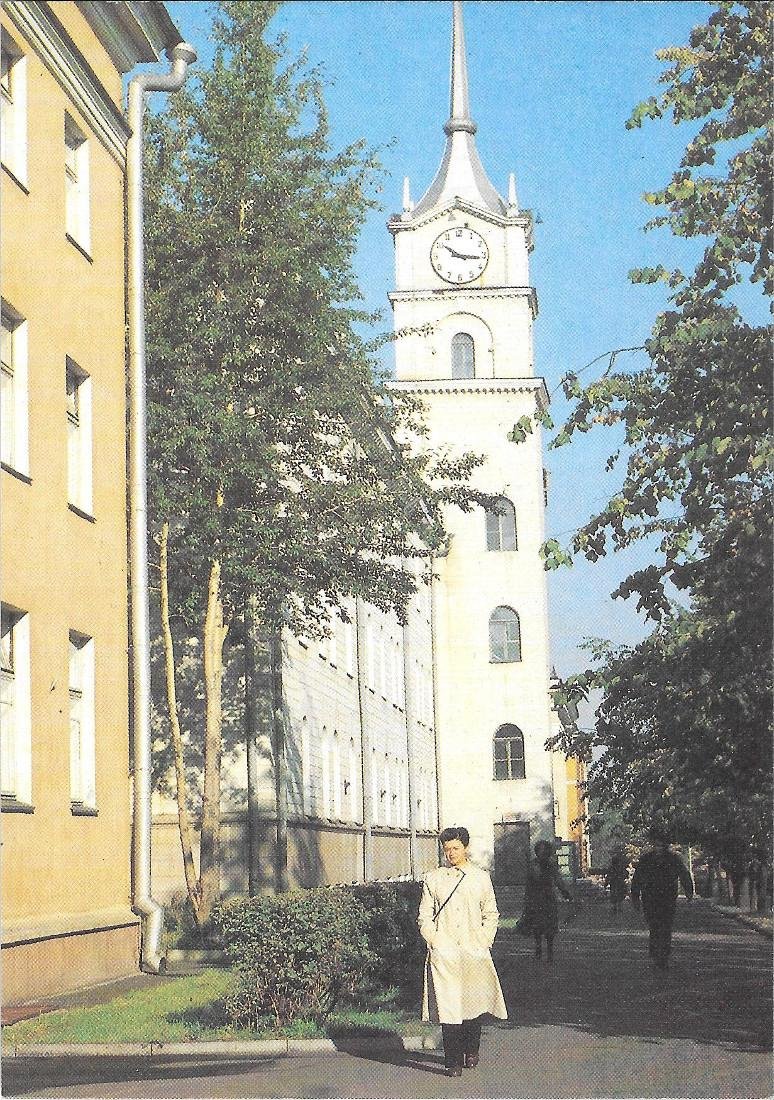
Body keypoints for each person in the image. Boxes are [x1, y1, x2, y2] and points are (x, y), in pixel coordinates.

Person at [418, 826, 507, 1077]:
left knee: (472, 1004)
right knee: (448, 1007)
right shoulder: (433, 879)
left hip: (473, 950)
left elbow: (490, 914)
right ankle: (452, 1061)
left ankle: (471, 1049)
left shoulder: (480, 878)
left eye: (455, 848)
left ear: (465, 848)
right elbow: (425, 915)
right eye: (447, 849)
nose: (451, 854)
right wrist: (434, 940)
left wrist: (483, 941)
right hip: (444, 952)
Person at [630, 828, 694, 969]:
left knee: (666, 926)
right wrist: (635, 896)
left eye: (661, 845)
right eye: (656, 845)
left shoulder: (673, 859)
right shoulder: (646, 860)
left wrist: (689, 891)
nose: (659, 848)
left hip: (667, 897)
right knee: (654, 926)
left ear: (666, 846)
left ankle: (664, 954)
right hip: (650, 898)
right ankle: (655, 952)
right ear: (653, 845)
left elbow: (684, 875)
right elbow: (637, 878)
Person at [522, 839, 573, 962]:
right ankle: (538, 948)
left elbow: (558, 880)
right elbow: (530, 882)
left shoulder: (551, 865)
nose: (542, 853)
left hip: (548, 898)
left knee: (550, 927)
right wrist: (527, 899)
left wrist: (565, 892)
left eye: (545, 851)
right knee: (537, 926)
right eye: (540, 851)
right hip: (536, 899)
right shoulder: (533, 865)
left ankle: (550, 951)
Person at [604, 849, 629, 915]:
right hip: (619, 883)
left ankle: (615, 906)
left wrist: (606, 883)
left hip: (614, 883)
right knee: (620, 894)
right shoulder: (620, 867)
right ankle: (619, 907)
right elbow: (626, 873)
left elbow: (608, 876)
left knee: (614, 894)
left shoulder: (611, 868)